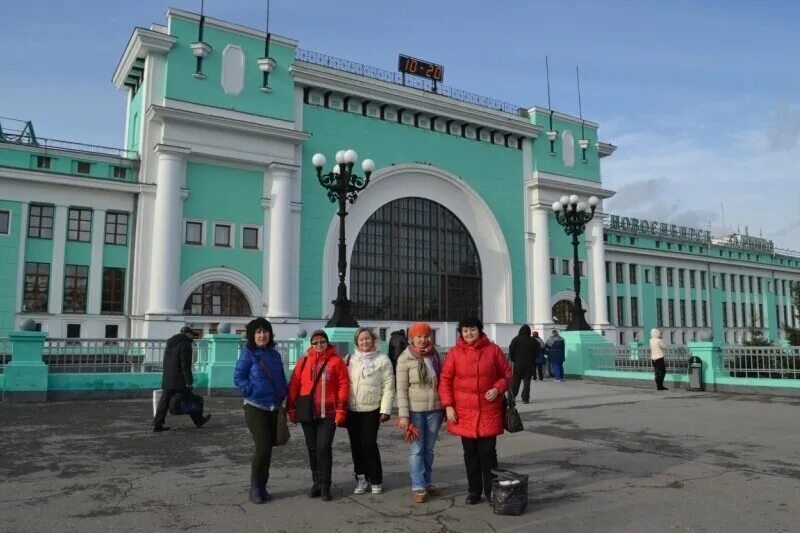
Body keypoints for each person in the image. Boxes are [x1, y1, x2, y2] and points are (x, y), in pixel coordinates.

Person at [439, 316, 512, 505]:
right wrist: (448, 406)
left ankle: (490, 490)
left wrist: (497, 388)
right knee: (470, 454)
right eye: (465, 330)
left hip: (489, 409)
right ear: (461, 333)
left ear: (480, 330)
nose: (469, 333)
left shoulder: (493, 350)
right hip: (463, 411)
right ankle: (474, 491)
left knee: (488, 453)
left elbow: (507, 374)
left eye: (472, 329)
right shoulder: (454, 353)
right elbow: (445, 381)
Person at [287, 329, 349, 501]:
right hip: (308, 413)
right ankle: (316, 483)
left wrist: (341, 409)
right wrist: (291, 408)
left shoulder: (336, 361)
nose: (319, 345)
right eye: (315, 342)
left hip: (328, 413)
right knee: (312, 448)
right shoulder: (304, 361)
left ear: (327, 343)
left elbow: (344, 386)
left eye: (322, 341)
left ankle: (325, 485)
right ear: (311, 344)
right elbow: (294, 384)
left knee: (323, 447)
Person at [233, 318, 288, 504]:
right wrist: (250, 391)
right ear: (252, 335)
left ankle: (263, 487)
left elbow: (280, 376)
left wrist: (282, 394)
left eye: (265, 331)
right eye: (258, 332)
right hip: (255, 406)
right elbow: (238, 377)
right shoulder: (248, 353)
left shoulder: (274, 355)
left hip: (273, 406)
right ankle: (255, 487)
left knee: (268, 448)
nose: (262, 335)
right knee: (263, 445)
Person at [396, 322, 444, 504]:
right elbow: (400, 389)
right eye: (419, 337)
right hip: (415, 411)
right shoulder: (405, 358)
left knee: (429, 449)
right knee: (417, 449)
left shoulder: (435, 355)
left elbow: (442, 380)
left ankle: (428, 481)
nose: (423, 340)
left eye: (425, 336)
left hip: (435, 409)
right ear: (412, 339)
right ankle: (418, 486)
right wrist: (403, 415)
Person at [345, 327, 394, 496]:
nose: (364, 342)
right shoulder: (350, 359)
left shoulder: (382, 359)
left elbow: (388, 386)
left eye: (367, 338)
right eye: (361, 340)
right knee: (356, 446)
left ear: (373, 340)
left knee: (368, 444)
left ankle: (376, 478)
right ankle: (361, 478)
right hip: (352, 409)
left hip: (372, 409)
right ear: (356, 343)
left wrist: (385, 409)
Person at [153, 326, 210, 432]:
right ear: (188, 334)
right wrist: (188, 382)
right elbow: (185, 365)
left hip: (168, 378)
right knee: (192, 399)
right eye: (192, 335)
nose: (192, 337)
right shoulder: (185, 344)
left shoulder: (171, 343)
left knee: (164, 402)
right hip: (179, 379)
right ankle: (198, 420)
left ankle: (158, 424)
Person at [508, 325, 539, 403]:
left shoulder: (516, 340)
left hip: (518, 364)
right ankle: (525, 398)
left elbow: (511, 350)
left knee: (515, 382)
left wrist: (514, 359)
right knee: (527, 382)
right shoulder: (533, 340)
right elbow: (537, 352)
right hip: (529, 364)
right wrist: (533, 360)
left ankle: (512, 397)